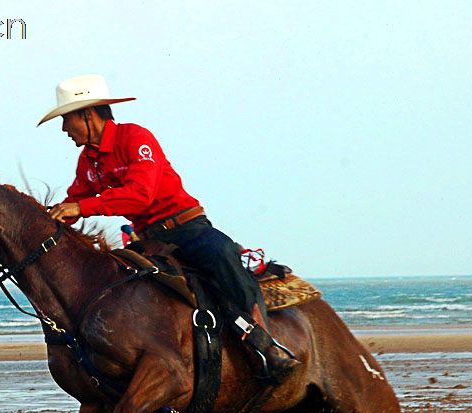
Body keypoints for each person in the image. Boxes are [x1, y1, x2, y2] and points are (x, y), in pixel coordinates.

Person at [39, 74, 298, 383]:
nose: (64, 129)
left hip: (187, 227)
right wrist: (41, 221)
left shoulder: (135, 138)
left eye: (67, 119)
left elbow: (139, 194)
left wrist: (82, 208)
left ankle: (264, 344)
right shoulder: (88, 160)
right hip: (149, 240)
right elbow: (75, 199)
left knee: (225, 257)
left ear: (87, 114)